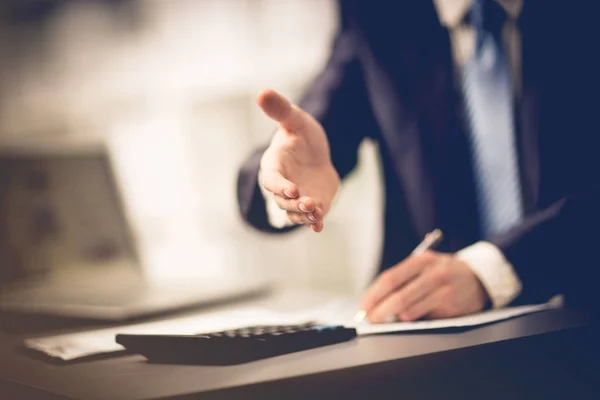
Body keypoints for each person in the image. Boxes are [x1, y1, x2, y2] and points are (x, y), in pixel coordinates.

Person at [237, 0, 600, 322]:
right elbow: (315, 124)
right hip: (427, 350)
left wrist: (493, 270)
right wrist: (285, 182)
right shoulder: (378, 11)